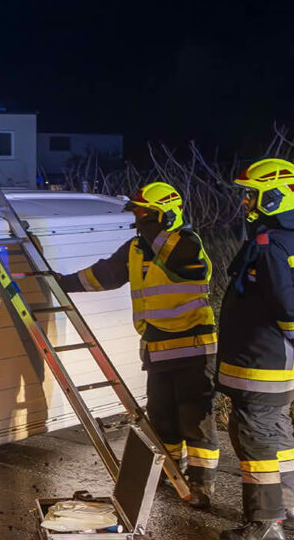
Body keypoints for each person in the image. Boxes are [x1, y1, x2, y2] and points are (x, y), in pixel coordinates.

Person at [55, 182, 220, 506]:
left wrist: (154, 231)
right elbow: (102, 276)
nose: (139, 220)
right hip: (157, 350)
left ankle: (201, 486)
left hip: (193, 349)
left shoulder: (188, 245)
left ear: (165, 216)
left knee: (195, 421)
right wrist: (60, 282)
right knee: (162, 419)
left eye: (146, 214)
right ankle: (173, 474)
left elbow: (179, 258)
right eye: (138, 214)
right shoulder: (136, 248)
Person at [216, 159, 294, 540]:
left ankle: (265, 523)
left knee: (255, 439)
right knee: (278, 434)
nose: (246, 202)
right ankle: (292, 508)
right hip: (278, 366)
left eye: (252, 194)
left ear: (276, 197)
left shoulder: (270, 245)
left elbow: (286, 305)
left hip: (261, 364)